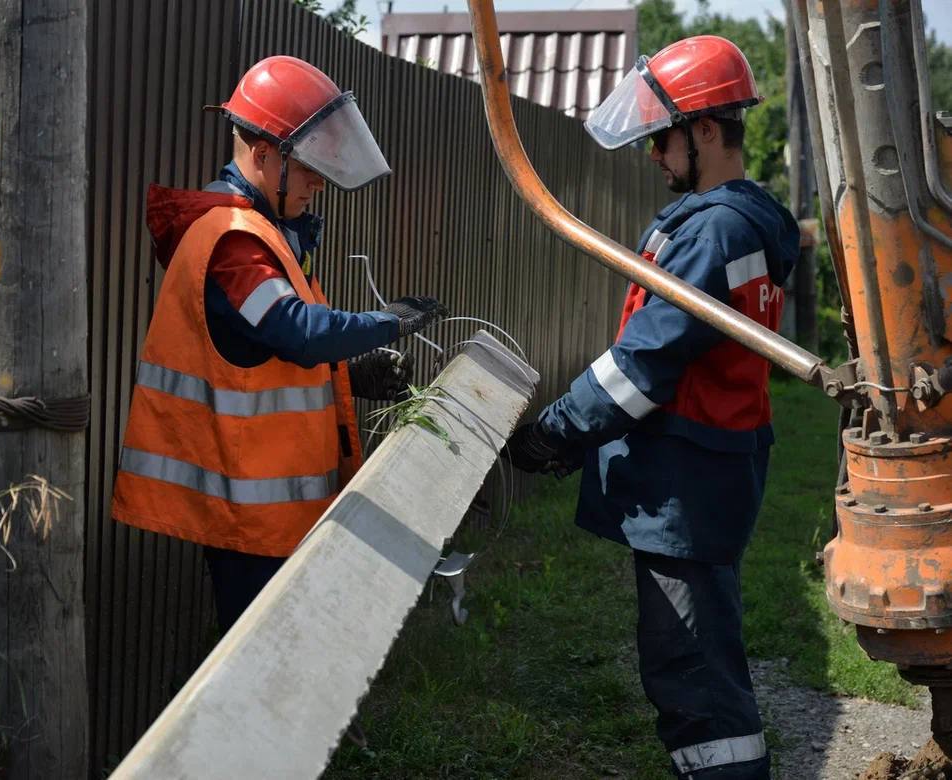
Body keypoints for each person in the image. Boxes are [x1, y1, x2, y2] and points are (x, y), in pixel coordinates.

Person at [505, 36, 798, 779]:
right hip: (707, 473)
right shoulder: (737, 220)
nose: (652, 154)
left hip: (688, 483)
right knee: (697, 668)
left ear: (705, 131)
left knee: (696, 682)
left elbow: (646, 362)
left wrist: (554, 433)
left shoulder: (716, 231)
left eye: (662, 138)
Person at [111, 55, 446, 637]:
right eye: (310, 166)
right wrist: (387, 323)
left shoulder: (262, 229)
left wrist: (354, 374)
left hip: (271, 511)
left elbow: (270, 361)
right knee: (259, 663)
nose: (320, 181)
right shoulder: (234, 240)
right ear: (264, 155)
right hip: (250, 518)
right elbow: (298, 332)